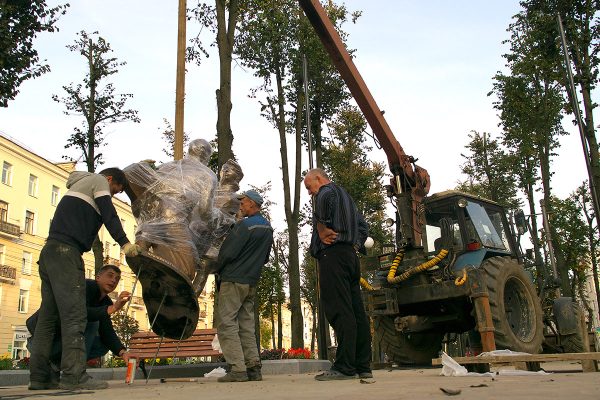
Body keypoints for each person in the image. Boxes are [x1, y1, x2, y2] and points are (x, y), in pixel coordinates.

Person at [28, 168, 141, 391]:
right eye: (115, 190)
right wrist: (125, 243)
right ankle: (74, 375)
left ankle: (40, 377)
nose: (113, 195)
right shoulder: (98, 180)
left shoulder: (81, 186)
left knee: (47, 321)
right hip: (67, 253)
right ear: (109, 179)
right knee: (75, 317)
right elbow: (110, 214)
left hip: (49, 252)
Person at [304, 168, 372, 381]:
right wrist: (355, 244)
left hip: (333, 256)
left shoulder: (325, 192)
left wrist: (321, 228)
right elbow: (363, 226)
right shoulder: (347, 198)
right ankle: (363, 366)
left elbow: (322, 215)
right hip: (350, 257)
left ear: (318, 178)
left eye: (309, 186)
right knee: (356, 311)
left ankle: (344, 367)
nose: (309, 193)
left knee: (339, 309)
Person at [27, 265, 132, 380]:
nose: (113, 280)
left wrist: (123, 352)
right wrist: (113, 308)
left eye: (117, 279)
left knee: (102, 346)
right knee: (92, 323)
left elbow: (107, 331)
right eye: (110, 275)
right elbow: (77, 311)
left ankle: (55, 366)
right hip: (45, 337)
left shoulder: (105, 301)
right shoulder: (85, 286)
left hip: (64, 339)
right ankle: (75, 373)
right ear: (98, 277)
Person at [215, 190, 273, 383]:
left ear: (252, 204)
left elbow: (227, 254)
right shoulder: (267, 228)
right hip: (251, 281)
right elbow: (264, 258)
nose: (240, 205)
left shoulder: (244, 226)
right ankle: (253, 367)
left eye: (243, 202)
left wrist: (217, 270)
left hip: (233, 279)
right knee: (246, 324)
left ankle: (237, 369)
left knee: (226, 322)